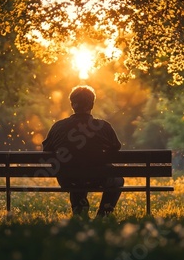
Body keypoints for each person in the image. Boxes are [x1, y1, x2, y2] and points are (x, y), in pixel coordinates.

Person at [42, 85, 124, 218]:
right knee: (117, 180)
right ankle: (103, 214)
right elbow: (116, 147)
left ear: (72, 104)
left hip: (68, 179)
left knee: (74, 171)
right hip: (98, 178)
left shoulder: (58, 127)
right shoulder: (103, 127)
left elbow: (47, 151)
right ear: (92, 104)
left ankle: (80, 212)